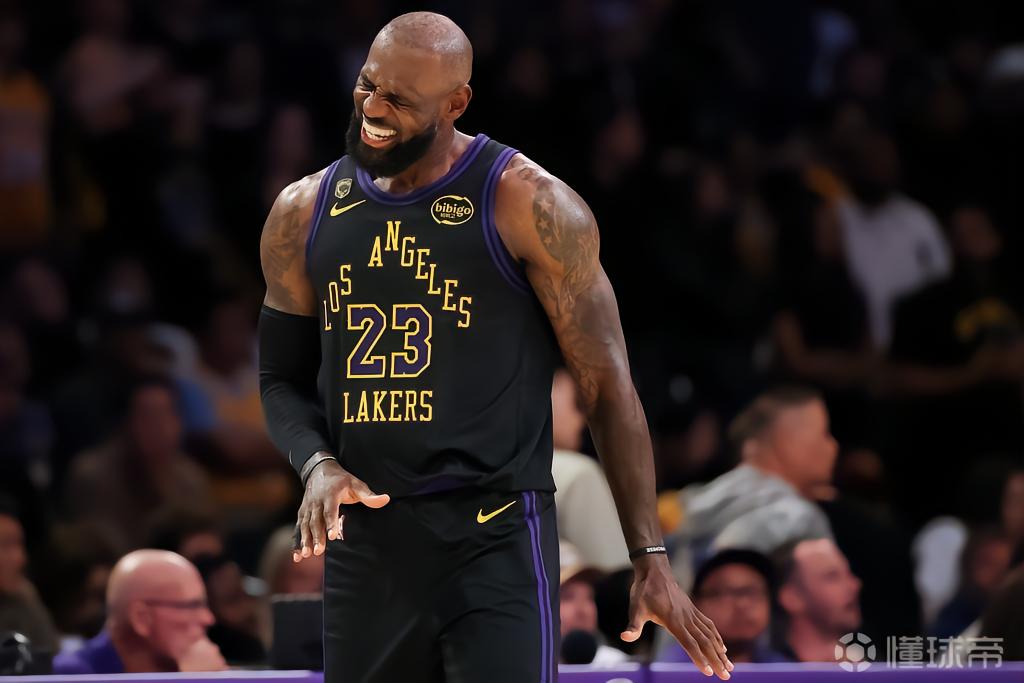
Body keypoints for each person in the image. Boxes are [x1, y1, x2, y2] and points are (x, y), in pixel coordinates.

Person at [257, 11, 731, 682]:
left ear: (456, 103)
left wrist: (649, 555)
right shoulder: (301, 211)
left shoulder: (529, 204)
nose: (374, 110)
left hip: (494, 532)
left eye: (401, 100)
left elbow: (605, 384)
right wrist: (317, 464)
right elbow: (279, 378)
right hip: (368, 538)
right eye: (368, 85)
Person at [668, 386, 836, 589]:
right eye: (824, 433)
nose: (832, 446)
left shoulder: (684, 504)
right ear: (786, 440)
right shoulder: (800, 518)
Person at [64, 376, 212, 550]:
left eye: (168, 413)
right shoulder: (93, 476)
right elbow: (100, 550)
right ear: (125, 423)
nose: (161, 426)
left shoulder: (189, 477)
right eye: (149, 416)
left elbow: (207, 541)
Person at [52, 549, 226, 674]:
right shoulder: (72, 675)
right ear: (141, 618)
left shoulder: (184, 667)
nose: (208, 619)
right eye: (191, 606)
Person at [551, 368, 629, 571]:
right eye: (576, 404)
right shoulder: (577, 473)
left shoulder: (486, 471)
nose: (582, 420)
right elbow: (614, 571)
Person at [659, 549, 787, 664]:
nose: (742, 604)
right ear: (693, 603)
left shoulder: (783, 670)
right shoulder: (668, 671)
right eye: (722, 592)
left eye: (751, 592)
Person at [773, 538, 862, 662]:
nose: (854, 585)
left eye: (848, 573)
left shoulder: (877, 668)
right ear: (792, 598)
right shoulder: (765, 671)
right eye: (832, 576)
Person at [558, 541, 628, 666]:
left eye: (589, 597)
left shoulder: (616, 665)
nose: (583, 610)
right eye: (568, 597)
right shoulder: (526, 666)